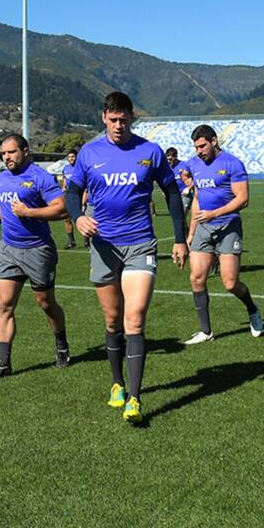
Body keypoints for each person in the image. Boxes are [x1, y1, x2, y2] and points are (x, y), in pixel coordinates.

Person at [64, 91, 188, 424]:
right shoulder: (90, 153)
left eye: (124, 119)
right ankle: (116, 383)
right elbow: (73, 193)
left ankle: (134, 397)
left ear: (132, 118)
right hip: (103, 246)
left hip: (140, 245)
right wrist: (77, 217)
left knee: (134, 319)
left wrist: (179, 239)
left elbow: (172, 192)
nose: (119, 125)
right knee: (112, 320)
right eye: (113, 119)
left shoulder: (149, 151)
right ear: (104, 117)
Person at [0, 135, 71, 377]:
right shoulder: (3, 177)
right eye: (3, 154)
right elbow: (3, 204)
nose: (7, 157)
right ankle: (3, 363)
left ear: (25, 151)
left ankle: (61, 344)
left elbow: (62, 209)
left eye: (11, 152)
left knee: (46, 303)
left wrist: (29, 212)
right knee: (4, 305)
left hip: (37, 250)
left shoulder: (40, 177)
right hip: (8, 249)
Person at [181, 125, 263, 344]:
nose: (198, 151)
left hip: (228, 226)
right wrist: (191, 233)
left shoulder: (232, 163)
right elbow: (197, 198)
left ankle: (252, 308)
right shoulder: (194, 164)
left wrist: (214, 213)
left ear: (214, 141)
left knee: (230, 282)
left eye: (202, 145)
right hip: (203, 228)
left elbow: (243, 199)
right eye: (196, 147)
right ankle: (206, 331)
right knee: (197, 277)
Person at [60, 149, 83, 249]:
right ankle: (71, 242)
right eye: (69, 157)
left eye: (73, 156)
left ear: (76, 157)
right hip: (68, 195)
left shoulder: (80, 168)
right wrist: (63, 188)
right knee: (67, 219)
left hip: (80, 194)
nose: (71, 159)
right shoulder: (65, 168)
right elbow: (64, 180)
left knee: (81, 217)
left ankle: (87, 241)